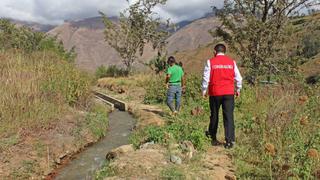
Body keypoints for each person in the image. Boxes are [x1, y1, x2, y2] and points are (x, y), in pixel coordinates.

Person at [201, 44, 242, 149]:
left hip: (215, 92)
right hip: (228, 93)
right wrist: (238, 89)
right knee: (229, 116)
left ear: (215, 51)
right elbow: (239, 78)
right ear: (225, 52)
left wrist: (204, 91)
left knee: (214, 115)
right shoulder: (231, 62)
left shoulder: (210, 62)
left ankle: (212, 137)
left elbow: (206, 78)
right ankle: (230, 141)